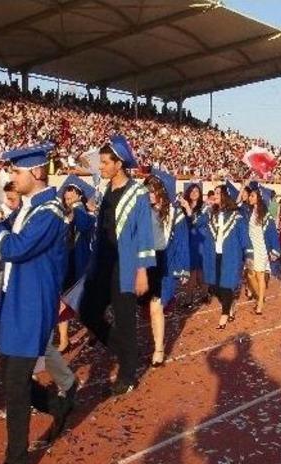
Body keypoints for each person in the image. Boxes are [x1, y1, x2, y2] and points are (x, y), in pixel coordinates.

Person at [0, 143, 76, 464]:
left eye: (16, 171)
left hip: (31, 306)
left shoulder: (50, 213)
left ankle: (16, 462)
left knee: (15, 386)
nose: (11, 176)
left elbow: (14, 248)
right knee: (12, 379)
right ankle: (60, 404)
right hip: (15, 301)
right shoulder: (29, 208)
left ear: (38, 172)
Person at [78, 134, 155, 396]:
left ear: (118, 164)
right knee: (87, 311)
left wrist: (142, 271)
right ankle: (124, 351)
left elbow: (144, 233)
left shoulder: (138, 193)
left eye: (104, 162)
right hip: (102, 263)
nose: (100, 167)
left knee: (125, 320)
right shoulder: (105, 190)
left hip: (126, 265)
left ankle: (128, 375)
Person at [143, 169, 189, 366]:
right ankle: (157, 340)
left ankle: (159, 349)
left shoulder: (174, 213)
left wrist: (183, 268)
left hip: (167, 266)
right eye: (147, 189)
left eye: (153, 189)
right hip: (146, 266)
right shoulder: (142, 211)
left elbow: (182, 241)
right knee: (149, 309)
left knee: (156, 307)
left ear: (161, 191)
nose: (149, 193)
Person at [190, 184, 247, 328]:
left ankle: (225, 313)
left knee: (226, 284)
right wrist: (205, 207)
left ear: (224, 196)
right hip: (213, 254)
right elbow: (196, 223)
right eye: (214, 193)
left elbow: (244, 237)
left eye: (217, 193)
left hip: (230, 255)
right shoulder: (210, 213)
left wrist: (248, 254)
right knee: (214, 286)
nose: (214, 195)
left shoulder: (236, 215)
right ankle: (230, 304)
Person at [57, 174, 96, 352]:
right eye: (67, 191)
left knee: (80, 302)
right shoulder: (63, 215)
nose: (68, 194)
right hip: (66, 262)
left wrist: (77, 210)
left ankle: (93, 331)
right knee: (63, 301)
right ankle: (64, 340)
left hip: (81, 262)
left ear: (80, 195)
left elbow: (84, 226)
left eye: (72, 192)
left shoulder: (85, 214)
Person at [244, 185, 280, 314]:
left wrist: (274, 249)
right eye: (250, 195)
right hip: (250, 248)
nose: (250, 197)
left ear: (259, 198)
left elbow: (272, 233)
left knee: (260, 275)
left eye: (252, 196)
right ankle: (260, 296)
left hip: (261, 248)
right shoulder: (248, 212)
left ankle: (259, 303)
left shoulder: (266, 215)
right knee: (250, 274)